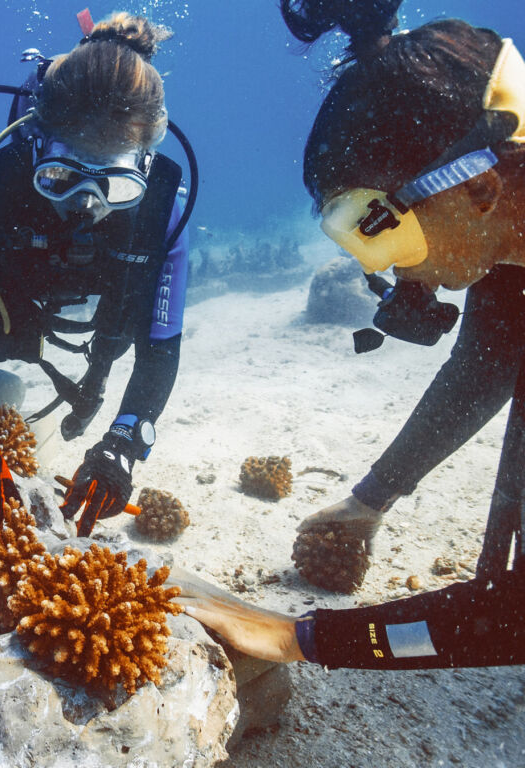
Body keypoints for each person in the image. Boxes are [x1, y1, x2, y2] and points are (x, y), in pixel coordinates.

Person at [178, 1, 525, 669]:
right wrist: (371, 499)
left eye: (376, 227)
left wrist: (303, 637)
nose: (383, 265)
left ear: (477, 186)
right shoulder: (505, 239)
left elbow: (514, 617)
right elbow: (488, 361)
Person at [0, 13, 189, 535]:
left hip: (105, 282)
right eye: (61, 176)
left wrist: (124, 445)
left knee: (120, 326)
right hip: (16, 267)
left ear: (144, 165)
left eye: (115, 183)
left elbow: (161, 346)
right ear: (38, 145)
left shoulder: (162, 209)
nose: (86, 204)